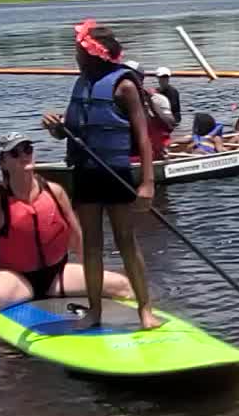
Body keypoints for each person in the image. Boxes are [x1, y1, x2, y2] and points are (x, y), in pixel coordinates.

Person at [39, 19, 161, 331]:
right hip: (86, 172)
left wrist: (147, 184)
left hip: (116, 173)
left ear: (94, 53)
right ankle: (94, 311)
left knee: (125, 242)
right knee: (91, 245)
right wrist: (56, 127)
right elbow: (69, 132)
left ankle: (145, 309)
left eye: (79, 50)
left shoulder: (124, 86)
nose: (75, 55)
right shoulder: (81, 83)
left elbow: (144, 138)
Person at [0, 133, 135, 336]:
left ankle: (142, 321)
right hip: (17, 278)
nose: (23, 156)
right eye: (14, 153)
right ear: (3, 163)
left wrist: (93, 278)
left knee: (122, 285)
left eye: (27, 150)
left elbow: (77, 240)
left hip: (56, 274)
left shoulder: (54, 192)